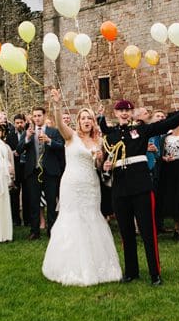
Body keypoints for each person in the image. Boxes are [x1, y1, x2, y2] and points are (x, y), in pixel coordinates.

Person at [100, 96, 179, 286]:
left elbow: (165, 124)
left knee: (148, 231)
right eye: (120, 111)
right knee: (126, 232)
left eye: (127, 110)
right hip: (120, 188)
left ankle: (154, 273)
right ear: (115, 113)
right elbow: (107, 153)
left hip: (141, 186)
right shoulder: (111, 135)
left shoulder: (141, 129)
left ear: (132, 113)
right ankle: (131, 271)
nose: (124, 113)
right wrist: (107, 164)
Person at [42, 90, 122, 285]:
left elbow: (98, 166)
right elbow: (60, 124)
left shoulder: (98, 141)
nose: (87, 121)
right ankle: (69, 265)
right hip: (72, 184)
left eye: (90, 118)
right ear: (78, 121)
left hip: (91, 185)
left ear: (94, 122)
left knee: (92, 218)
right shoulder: (71, 137)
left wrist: (101, 161)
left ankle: (97, 265)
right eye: (83, 118)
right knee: (73, 219)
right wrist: (57, 104)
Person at [22, 105, 66, 239]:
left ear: (44, 116)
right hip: (33, 172)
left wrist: (49, 141)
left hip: (50, 172)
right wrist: (27, 138)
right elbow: (19, 149)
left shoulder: (54, 131)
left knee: (51, 203)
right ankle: (34, 231)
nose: (37, 118)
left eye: (39, 116)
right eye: (34, 116)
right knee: (34, 203)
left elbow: (62, 147)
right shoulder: (29, 132)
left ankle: (52, 230)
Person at [8, 113, 28, 226]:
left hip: (26, 167)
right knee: (15, 194)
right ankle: (16, 219)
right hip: (16, 167)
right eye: (17, 123)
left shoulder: (28, 134)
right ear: (14, 124)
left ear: (24, 123)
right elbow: (8, 150)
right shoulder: (10, 135)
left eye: (21, 122)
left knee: (27, 193)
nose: (19, 125)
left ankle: (27, 218)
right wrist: (13, 152)